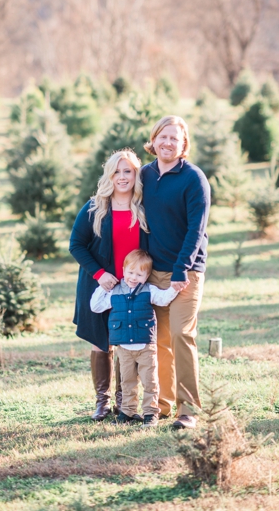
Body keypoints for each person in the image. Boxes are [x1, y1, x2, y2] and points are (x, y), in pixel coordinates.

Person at [140, 116, 210, 430]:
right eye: (163, 137)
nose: (168, 143)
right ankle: (162, 405)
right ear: (153, 140)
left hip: (186, 272)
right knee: (160, 340)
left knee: (182, 335)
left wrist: (182, 269)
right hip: (153, 272)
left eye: (175, 139)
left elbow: (197, 229)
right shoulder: (145, 175)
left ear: (183, 145)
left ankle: (189, 410)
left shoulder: (194, 178)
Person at [69, 149, 149, 422]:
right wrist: (100, 273)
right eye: (117, 171)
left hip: (133, 288)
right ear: (109, 175)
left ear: (136, 174)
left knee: (127, 343)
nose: (122, 177)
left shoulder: (143, 207)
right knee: (101, 344)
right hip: (100, 284)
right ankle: (101, 402)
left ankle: (123, 402)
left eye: (128, 171)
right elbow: (76, 245)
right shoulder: (95, 207)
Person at [90, 249, 181, 426]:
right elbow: (96, 306)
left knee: (150, 382)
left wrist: (174, 288)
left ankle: (150, 413)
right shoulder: (114, 291)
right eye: (130, 272)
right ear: (123, 271)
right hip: (124, 348)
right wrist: (102, 286)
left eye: (139, 274)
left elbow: (163, 300)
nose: (133, 277)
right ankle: (128, 412)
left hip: (146, 346)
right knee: (127, 382)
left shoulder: (150, 290)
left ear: (147, 275)